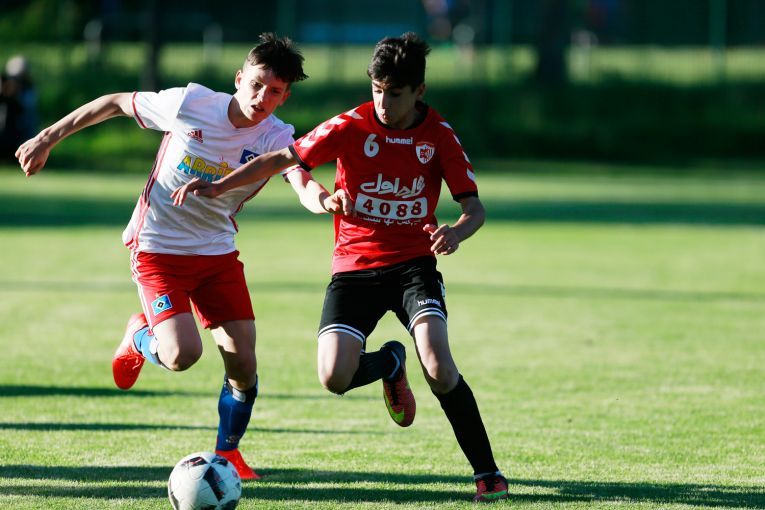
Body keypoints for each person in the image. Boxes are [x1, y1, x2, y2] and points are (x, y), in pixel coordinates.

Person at [173, 32, 508, 502]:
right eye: (377, 90)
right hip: (354, 266)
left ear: (419, 91)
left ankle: (487, 473)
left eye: (395, 93)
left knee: (438, 364)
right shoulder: (350, 126)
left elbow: (475, 209)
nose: (383, 103)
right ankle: (390, 362)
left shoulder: (438, 136)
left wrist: (456, 231)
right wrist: (218, 185)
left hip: (414, 267)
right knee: (333, 377)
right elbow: (282, 158)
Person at [15, 33, 351, 480]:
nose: (261, 98)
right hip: (157, 248)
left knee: (244, 363)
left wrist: (326, 201)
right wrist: (46, 137)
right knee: (180, 355)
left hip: (216, 254)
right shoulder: (191, 103)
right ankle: (140, 335)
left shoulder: (276, 136)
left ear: (285, 96)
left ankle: (228, 454)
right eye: (256, 85)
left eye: (274, 92)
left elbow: (302, 182)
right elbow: (115, 103)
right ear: (239, 78)